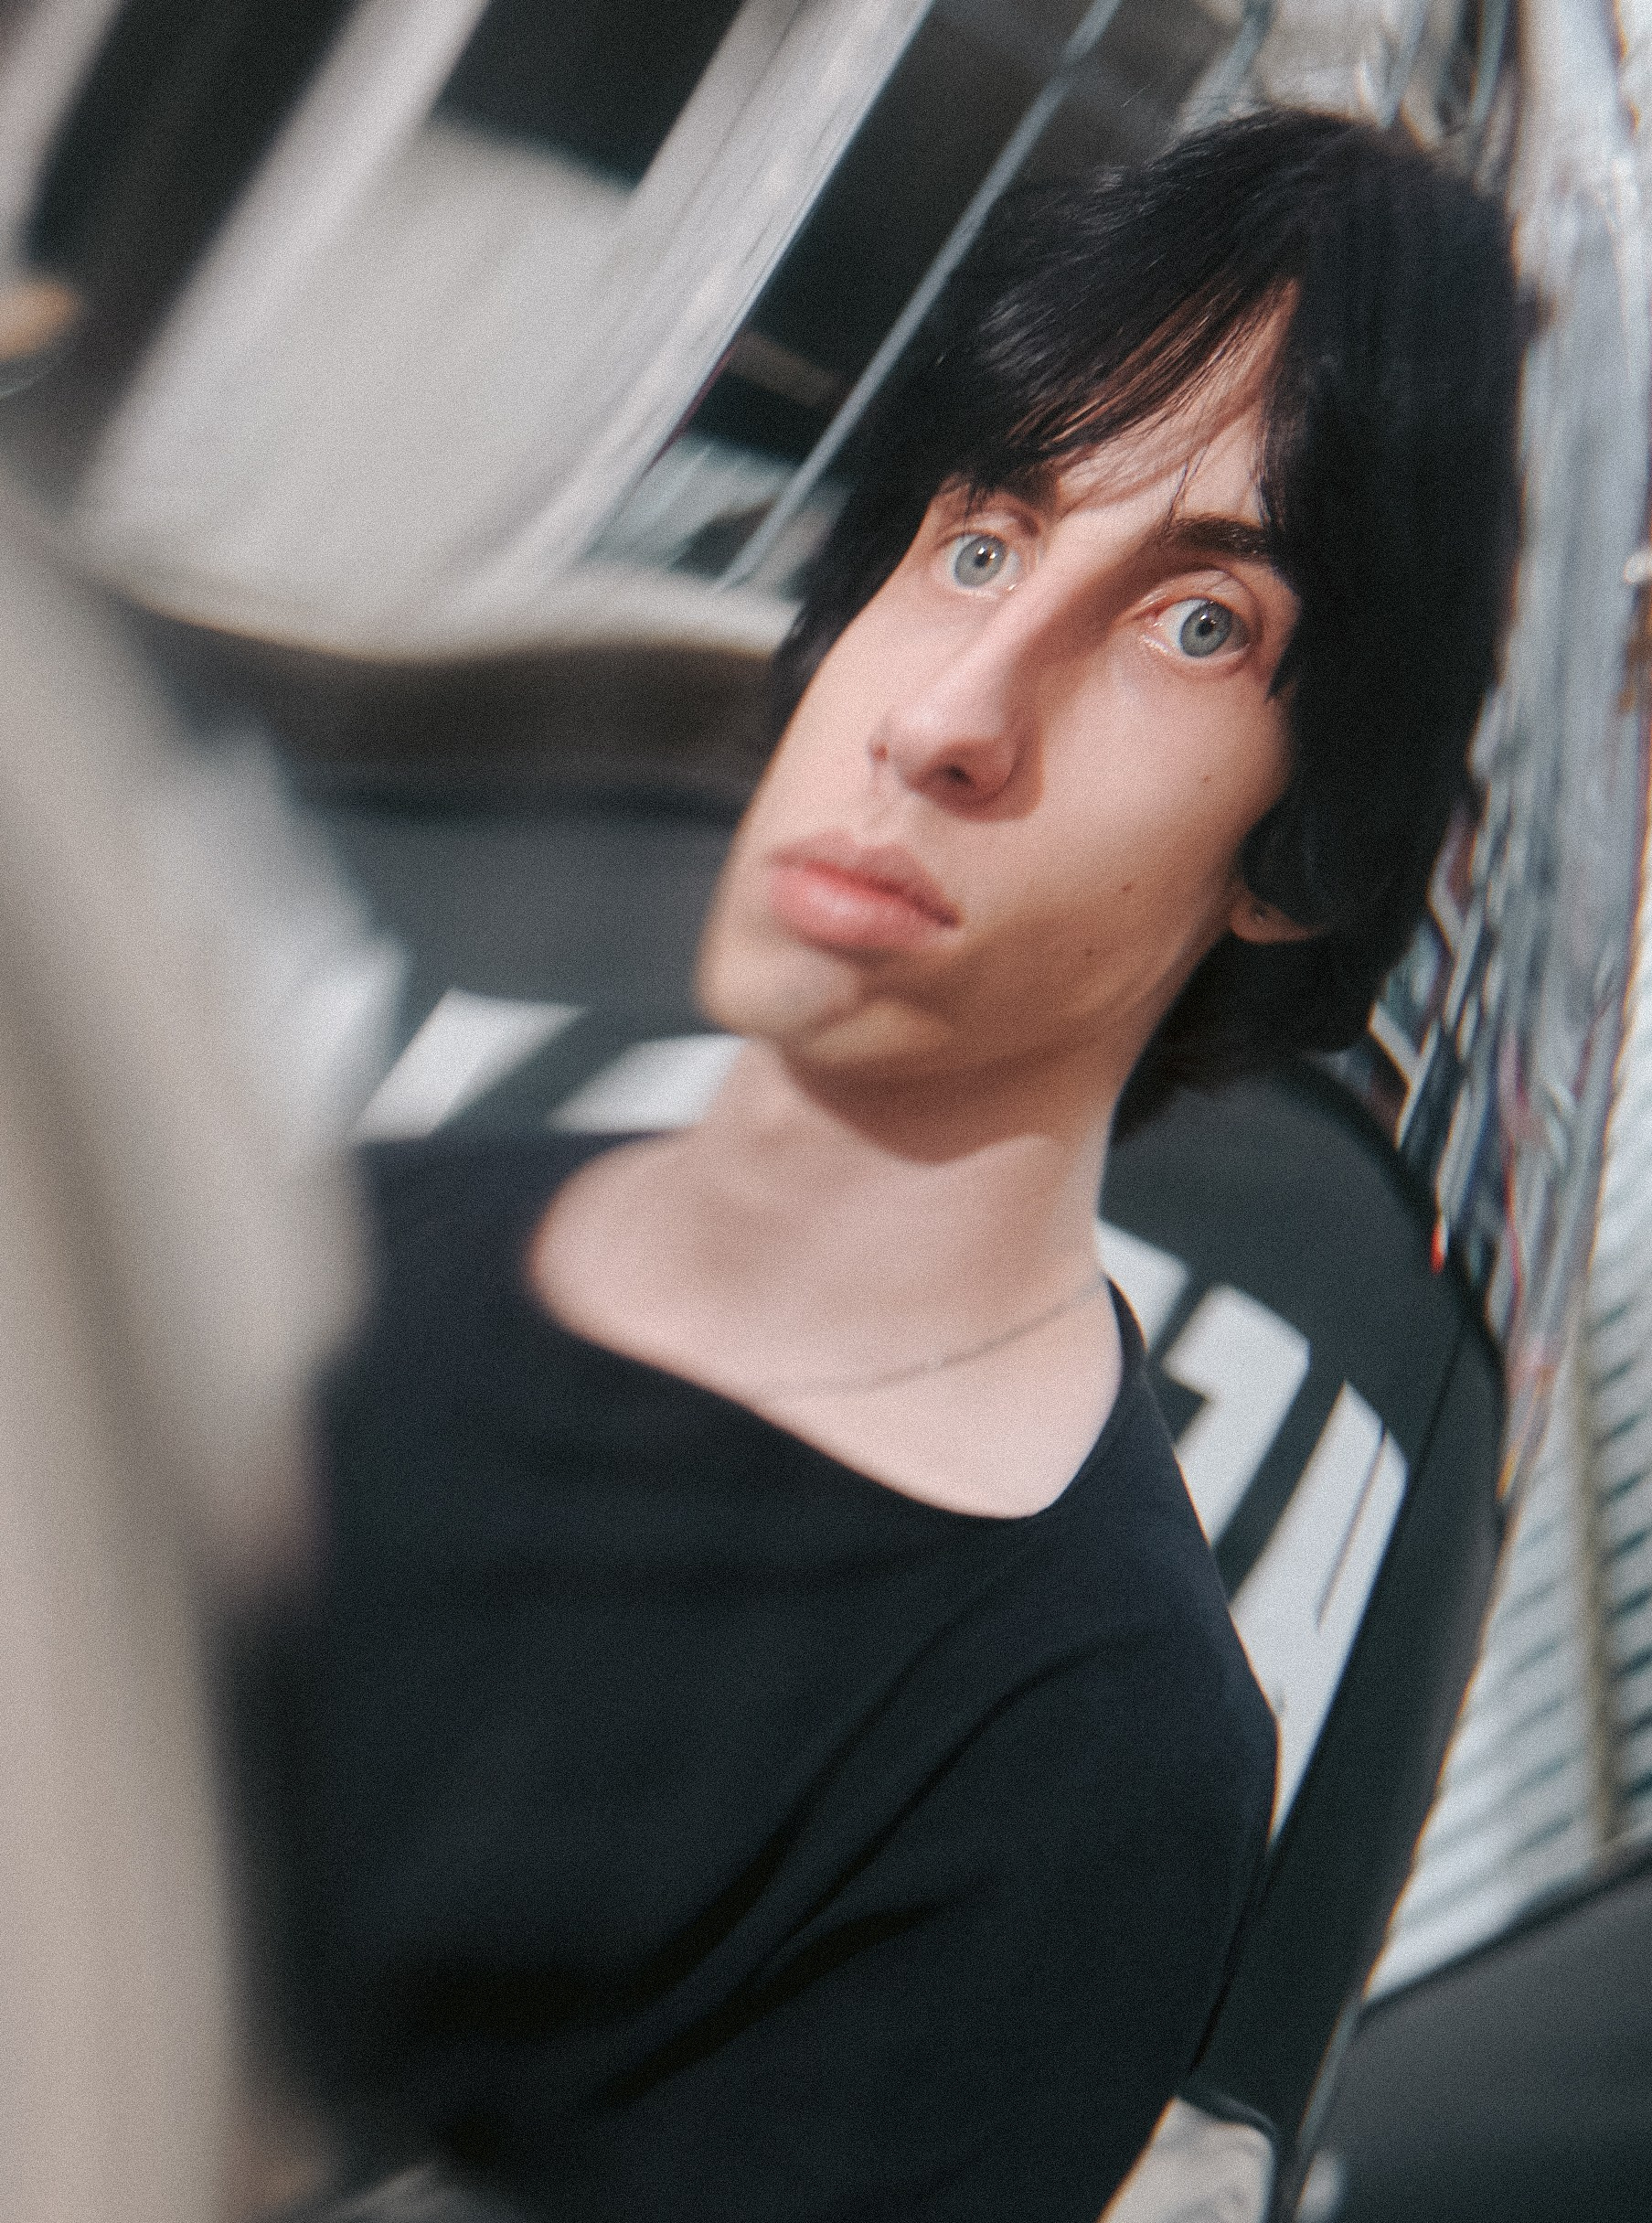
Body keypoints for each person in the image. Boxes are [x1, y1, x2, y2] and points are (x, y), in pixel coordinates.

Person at [259, 109, 1528, 2223]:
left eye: (1198, 623)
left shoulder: (1080, 1753)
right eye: (982, 544)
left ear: (1305, 851)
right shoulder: (342, 1237)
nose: (953, 712)